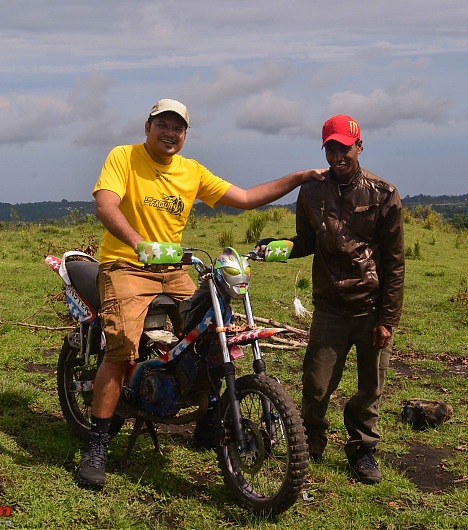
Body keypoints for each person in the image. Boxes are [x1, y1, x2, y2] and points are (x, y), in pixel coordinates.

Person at [76, 98, 325, 488]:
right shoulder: (123, 157)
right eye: (163, 125)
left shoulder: (191, 171)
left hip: (174, 270)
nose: (170, 133)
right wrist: (138, 243)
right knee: (122, 344)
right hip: (126, 265)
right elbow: (106, 206)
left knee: (211, 333)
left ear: (185, 134)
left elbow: (244, 199)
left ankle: (208, 423)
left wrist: (298, 177)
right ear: (147, 127)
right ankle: (98, 441)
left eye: (178, 128)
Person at [256, 114, 404, 484]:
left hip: (370, 308)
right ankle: (311, 444)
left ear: (359, 145)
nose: (338, 156)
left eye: (345, 147)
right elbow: (306, 240)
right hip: (329, 308)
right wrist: (280, 247)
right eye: (331, 148)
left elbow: (395, 262)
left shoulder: (383, 194)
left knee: (370, 387)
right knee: (316, 384)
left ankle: (363, 450)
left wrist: (387, 320)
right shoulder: (312, 191)